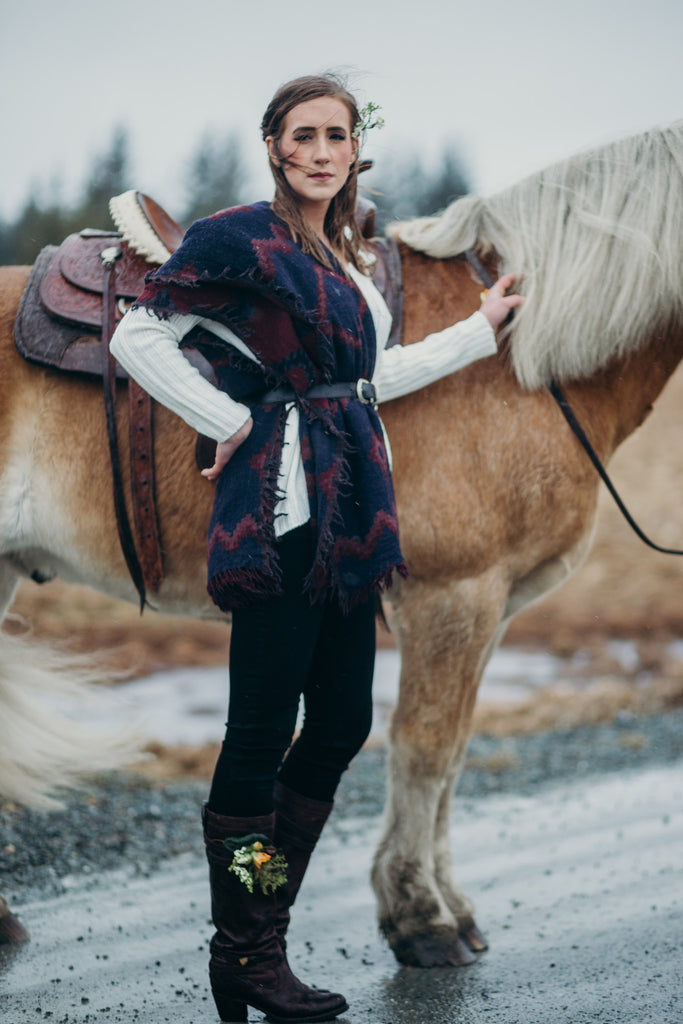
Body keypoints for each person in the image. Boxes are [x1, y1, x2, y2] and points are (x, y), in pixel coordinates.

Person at [110, 73, 523, 1023]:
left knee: (337, 723)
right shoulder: (237, 238)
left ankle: (258, 923)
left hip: (355, 515)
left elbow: (370, 376)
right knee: (258, 734)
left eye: (337, 134)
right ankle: (247, 949)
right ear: (274, 145)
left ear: (352, 149)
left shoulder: (344, 255)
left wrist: (477, 331)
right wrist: (231, 420)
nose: (322, 150)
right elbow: (142, 337)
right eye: (305, 134)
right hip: (281, 508)